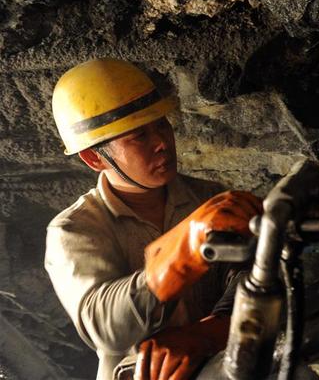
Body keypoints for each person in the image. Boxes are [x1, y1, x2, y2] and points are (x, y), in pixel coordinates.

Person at [44, 58, 261, 380]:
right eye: (138, 137)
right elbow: (104, 328)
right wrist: (182, 252)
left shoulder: (210, 198)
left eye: (161, 124)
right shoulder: (75, 231)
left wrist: (208, 334)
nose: (162, 143)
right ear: (94, 157)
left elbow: (253, 279)